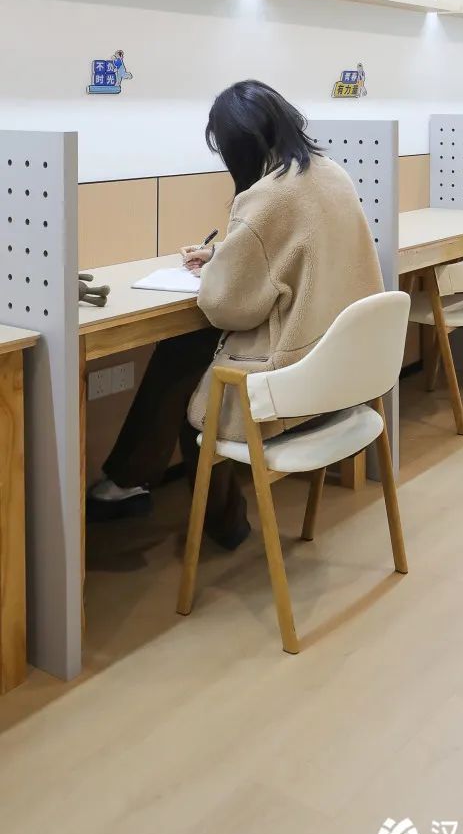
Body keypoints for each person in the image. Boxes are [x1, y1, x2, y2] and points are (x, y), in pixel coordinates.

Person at [87, 80, 384, 549]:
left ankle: (186, 505)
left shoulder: (268, 196)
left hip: (296, 384)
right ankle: (131, 480)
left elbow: (227, 306)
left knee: (191, 379)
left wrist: (216, 270)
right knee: (187, 352)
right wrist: (226, 253)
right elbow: (297, 251)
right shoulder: (332, 174)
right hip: (343, 372)